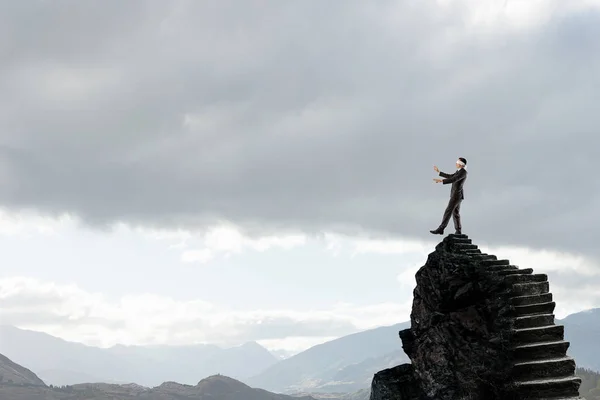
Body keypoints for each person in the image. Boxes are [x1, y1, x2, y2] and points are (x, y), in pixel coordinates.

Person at [430, 157, 467, 235]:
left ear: (461, 164)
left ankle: (441, 228)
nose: (456, 163)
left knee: (448, 211)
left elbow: (454, 179)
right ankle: (458, 230)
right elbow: (451, 176)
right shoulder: (459, 171)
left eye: (457, 162)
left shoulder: (463, 172)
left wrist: (442, 181)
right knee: (455, 213)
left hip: (456, 196)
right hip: (457, 195)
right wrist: (439, 172)